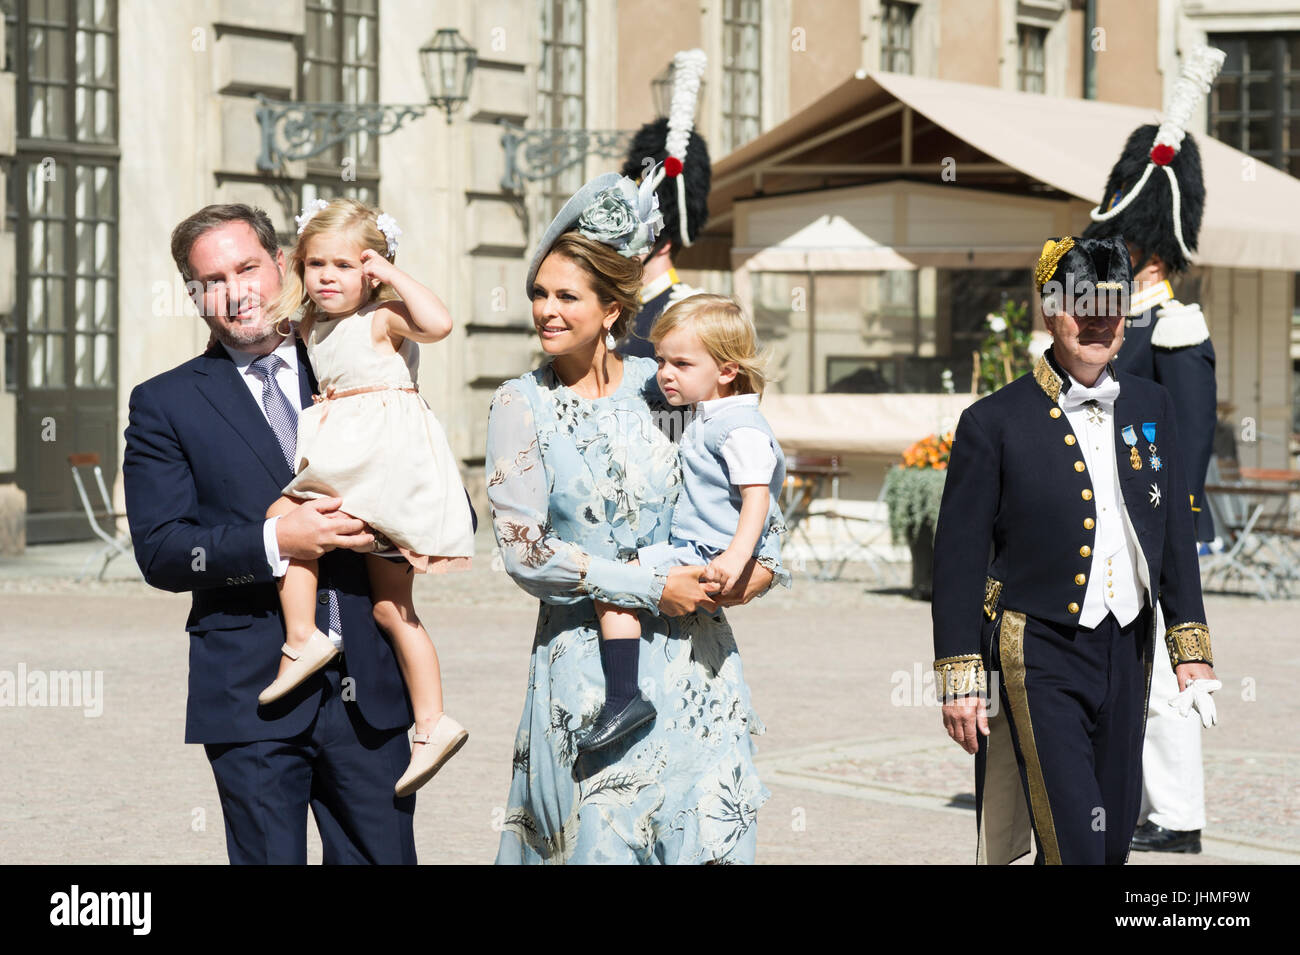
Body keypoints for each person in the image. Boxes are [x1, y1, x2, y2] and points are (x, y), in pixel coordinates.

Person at [486, 171, 789, 864]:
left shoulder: (667, 385)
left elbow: (754, 489)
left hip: (697, 669)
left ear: (613, 308)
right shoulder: (519, 403)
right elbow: (524, 551)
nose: (546, 310)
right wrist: (651, 586)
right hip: (591, 674)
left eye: (567, 296)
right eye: (540, 293)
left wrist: (756, 569)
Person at [124, 204, 417, 863]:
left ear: (281, 264)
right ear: (194, 294)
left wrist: (374, 528)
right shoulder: (164, 403)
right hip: (251, 692)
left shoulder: (357, 359)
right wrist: (278, 541)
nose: (236, 291)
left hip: (368, 690)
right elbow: (164, 550)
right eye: (213, 279)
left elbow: (444, 500)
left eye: (247, 267)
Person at [931, 235, 1218, 865]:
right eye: (1079, 302)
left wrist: (1189, 649)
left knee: (1109, 845)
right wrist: (960, 677)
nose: (1096, 319)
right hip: (1040, 650)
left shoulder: (1153, 403)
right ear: (1048, 308)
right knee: (1078, 847)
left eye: (1112, 305)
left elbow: (1172, 532)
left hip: (1129, 647)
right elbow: (957, 558)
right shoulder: (992, 421)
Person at [256, 198, 475, 798]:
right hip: (358, 457)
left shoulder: (382, 318)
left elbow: (439, 323)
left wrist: (393, 276)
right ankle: (432, 721)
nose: (327, 276)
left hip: (381, 463)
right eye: (315, 264)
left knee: (285, 517)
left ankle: (303, 639)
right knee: (390, 608)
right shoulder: (309, 326)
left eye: (346, 266)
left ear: (372, 270)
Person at [1084, 44, 1226, 855]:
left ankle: (1178, 815)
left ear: (1153, 242)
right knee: (1126, 671)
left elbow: (1191, 441)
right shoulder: (1123, 320)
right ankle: (1142, 799)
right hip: (1110, 521)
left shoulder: (1177, 325)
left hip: (1158, 520)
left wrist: (1166, 520)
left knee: (1174, 677)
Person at [583, 293, 789, 758]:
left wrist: (737, 556)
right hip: (701, 547)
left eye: (681, 363)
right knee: (618, 582)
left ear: (727, 370)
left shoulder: (739, 428)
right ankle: (630, 695)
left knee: (613, 584)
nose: (665, 374)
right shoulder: (708, 415)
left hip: (708, 552)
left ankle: (623, 697)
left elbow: (758, 496)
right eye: (660, 360)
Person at [617, 48, 710, 358]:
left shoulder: (687, 310)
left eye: (634, 234)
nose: (620, 243)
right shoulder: (616, 309)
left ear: (664, 242)